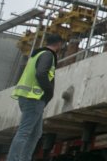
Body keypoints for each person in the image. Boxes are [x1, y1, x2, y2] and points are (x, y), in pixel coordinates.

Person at [7, 33, 64, 161]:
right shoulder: (48, 55)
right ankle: (14, 159)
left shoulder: (37, 54)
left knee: (35, 133)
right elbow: (41, 73)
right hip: (34, 98)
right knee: (25, 131)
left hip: (27, 97)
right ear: (59, 44)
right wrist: (49, 91)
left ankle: (24, 158)